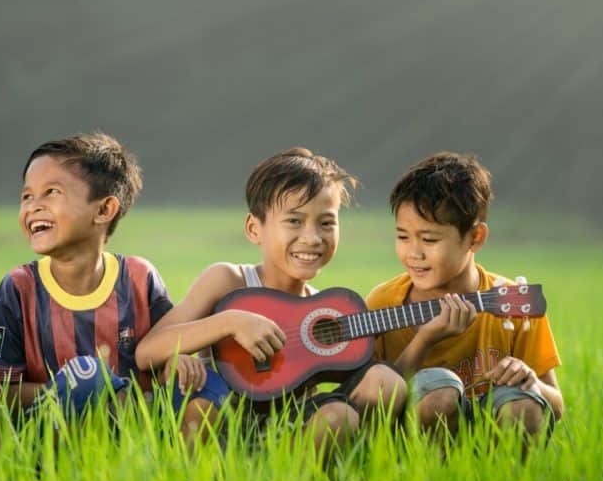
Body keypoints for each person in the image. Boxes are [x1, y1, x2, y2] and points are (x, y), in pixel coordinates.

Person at [135, 148, 406, 461]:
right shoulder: (230, 280)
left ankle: (315, 479)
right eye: (294, 220)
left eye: (326, 223)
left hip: (290, 434)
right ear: (254, 229)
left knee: (376, 391)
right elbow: (147, 351)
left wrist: (429, 332)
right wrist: (231, 322)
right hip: (222, 427)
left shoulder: (324, 310)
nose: (312, 238)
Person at [0, 132, 228, 444]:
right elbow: (0, 390)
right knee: (88, 374)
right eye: (27, 196)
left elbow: (163, 351)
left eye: (51, 192)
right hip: (53, 432)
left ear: (103, 210)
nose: (34, 206)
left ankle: (179, 472)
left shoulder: (139, 277)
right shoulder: (19, 288)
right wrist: (92, 389)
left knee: (211, 384)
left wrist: (177, 362)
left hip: (136, 426)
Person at [366, 152, 564, 443]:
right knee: (439, 396)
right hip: (410, 446)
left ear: (476, 237)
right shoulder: (383, 302)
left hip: (489, 435)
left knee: (523, 405)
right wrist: (424, 340)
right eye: (402, 236)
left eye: (429, 239)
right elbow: (371, 407)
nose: (413, 253)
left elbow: (556, 406)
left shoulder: (512, 303)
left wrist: (531, 381)